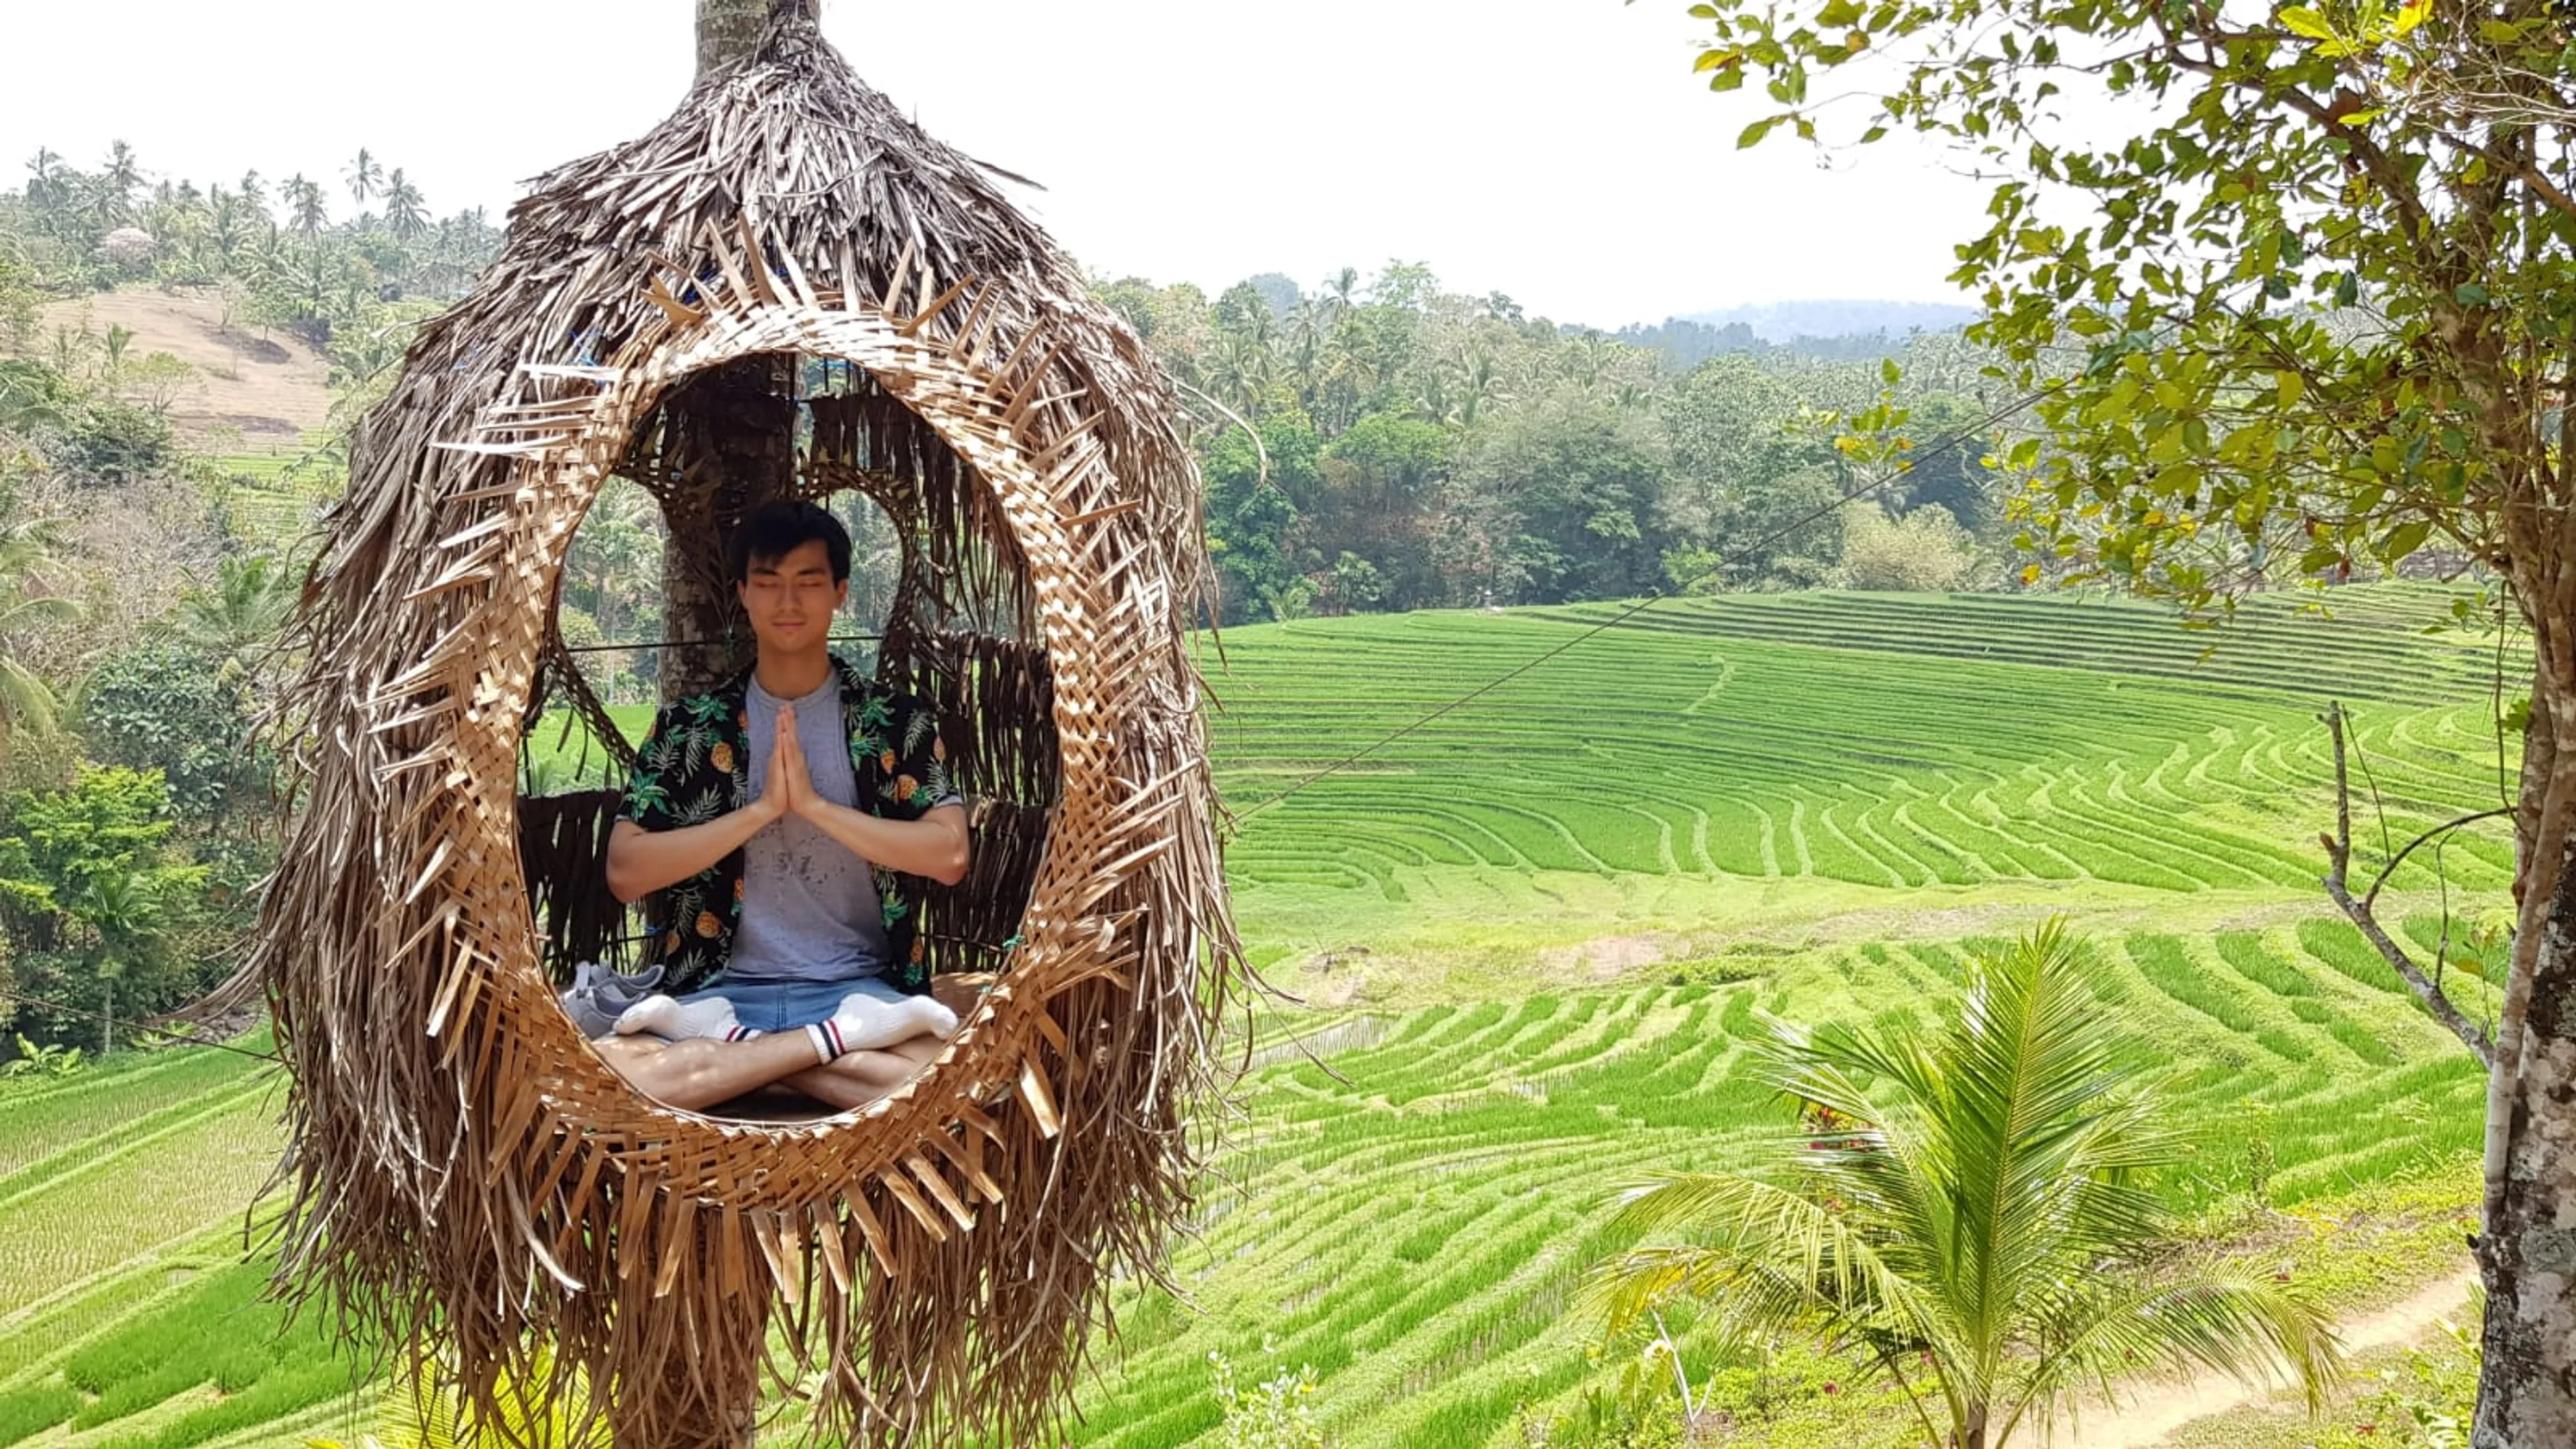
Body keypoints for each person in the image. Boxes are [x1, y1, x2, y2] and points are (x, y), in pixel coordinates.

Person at [588, 499, 972, 1113]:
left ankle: (737, 1055)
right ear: (743, 593)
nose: (787, 602)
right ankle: (834, 1046)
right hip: (722, 988)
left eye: (808, 582)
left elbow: (950, 854)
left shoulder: (895, 724)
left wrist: (816, 807)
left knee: (951, 1086)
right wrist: (761, 810)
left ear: (840, 592)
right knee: (612, 1076)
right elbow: (626, 873)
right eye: (767, 583)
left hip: (860, 986)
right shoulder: (690, 729)